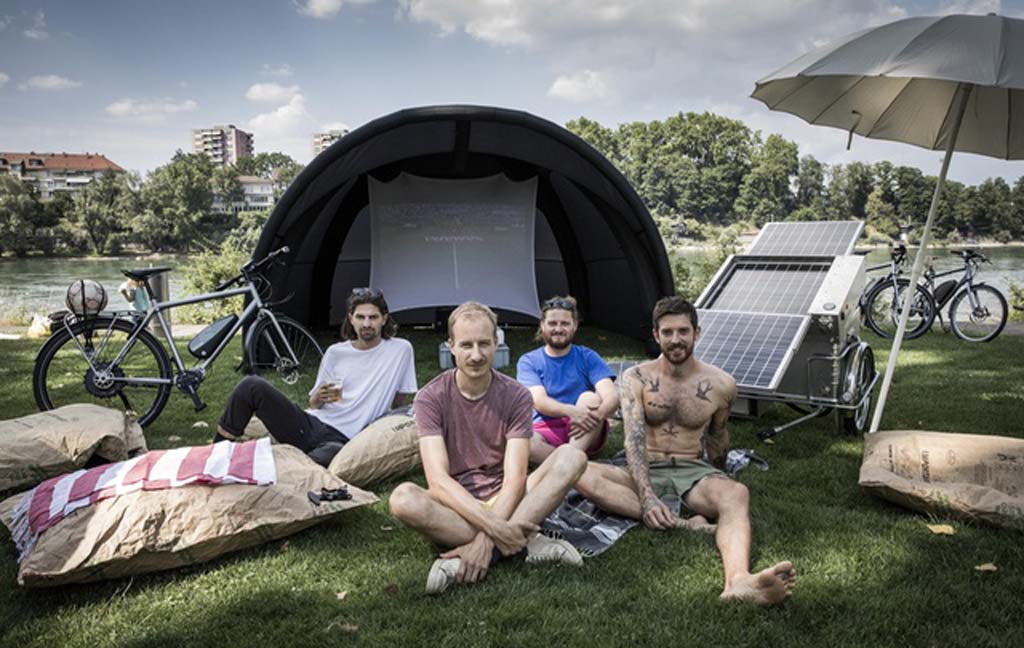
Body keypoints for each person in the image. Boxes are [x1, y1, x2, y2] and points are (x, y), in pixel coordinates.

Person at [577, 296, 797, 606]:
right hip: (643, 465)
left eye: (683, 331)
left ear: (697, 333)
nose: (675, 339)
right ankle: (687, 526)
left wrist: (720, 477)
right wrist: (647, 497)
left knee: (737, 493)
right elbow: (634, 440)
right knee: (578, 470)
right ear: (656, 335)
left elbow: (718, 437)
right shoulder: (636, 377)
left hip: (691, 470)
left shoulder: (722, 384)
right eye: (667, 332)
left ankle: (738, 581)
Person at [389, 301, 587, 594]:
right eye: (466, 345)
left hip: (509, 498)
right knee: (403, 499)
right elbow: (438, 481)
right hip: (457, 505)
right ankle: (523, 542)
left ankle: (478, 552)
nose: (476, 355)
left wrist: (486, 538)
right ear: (450, 346)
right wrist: (496, 528)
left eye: (484, 344)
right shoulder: (430, 397)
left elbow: (515, 480)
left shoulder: (516, 395)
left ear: (496, 343)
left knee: (572, 455)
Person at [213, 288, 417, 467]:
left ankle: (282, 464)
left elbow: (400, 399)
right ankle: (216, 453)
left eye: (373, 317)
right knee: (251, 385)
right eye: (360, 317)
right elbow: (314, 403)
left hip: (343, 441)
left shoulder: (400, 350)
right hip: (310, 424)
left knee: (316, 462)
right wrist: (318, 397)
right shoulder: (336, 353)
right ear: (351, 318)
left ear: (384, 319)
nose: (366, 323)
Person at [516, 295, 619, 462]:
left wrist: (597, 415)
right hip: (544, 429)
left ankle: (569, 460)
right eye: (552, 323)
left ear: (575, 325)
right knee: (525, 443)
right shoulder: (529, 361)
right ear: (542, 325)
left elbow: (611, 396)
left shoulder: (587, 356)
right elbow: (539, 401)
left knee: (590, 398)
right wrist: (571, 411)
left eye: (564, 323)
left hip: (584, 428)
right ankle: (577, 465)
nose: (558, 329)